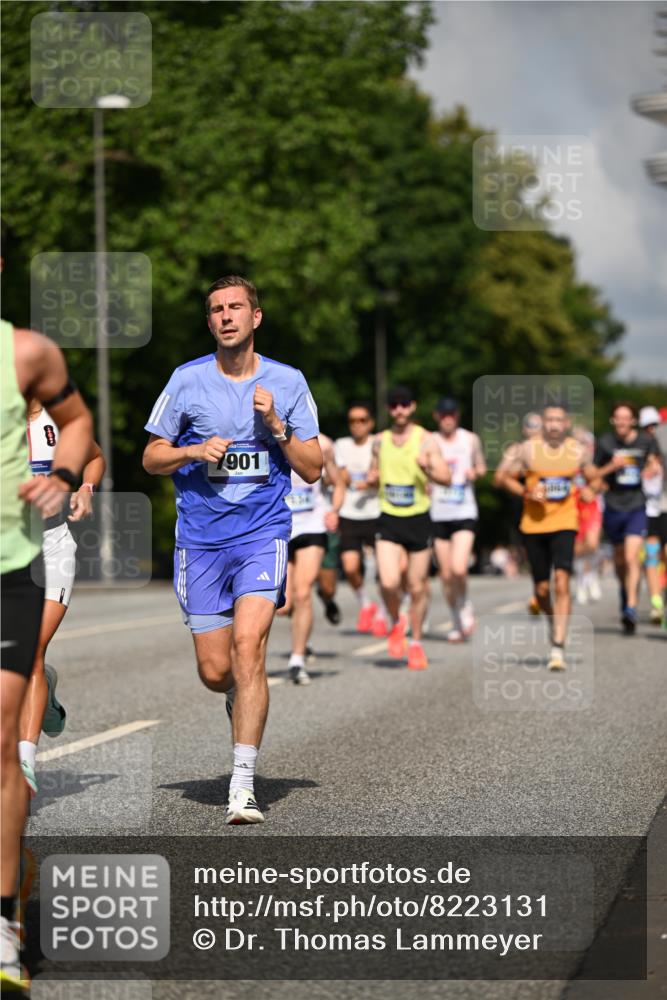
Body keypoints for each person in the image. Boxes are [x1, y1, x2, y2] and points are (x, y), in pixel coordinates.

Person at [143, 276, 322, 825]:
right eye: (217, 309)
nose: (226, 316)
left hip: (262, 535)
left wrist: (277, 426)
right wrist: (194, 451)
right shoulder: (187, 380)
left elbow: (313, 468)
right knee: (215, 669)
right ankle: (235, 695)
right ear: (210, 322)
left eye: (236, 307)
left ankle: (242, 786)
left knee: (249, 648)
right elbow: (151, 457)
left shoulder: (287, 382)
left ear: (255, 317)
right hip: (200, 542)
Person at [1, 317, 92, 992]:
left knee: (2, 732)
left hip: (26, 558)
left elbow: (85, 433)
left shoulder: (29, 357)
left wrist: (70, 480)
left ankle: (4, 924)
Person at [17, 401, 106, 796]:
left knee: (30, 650)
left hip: (53, 546)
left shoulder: (61, 420)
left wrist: (86, 489)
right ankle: (45, 688)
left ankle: (24, 764)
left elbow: (96, 457)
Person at [495, 403, 600, 670]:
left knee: (562, 582)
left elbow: (595, 478)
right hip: (534, 525)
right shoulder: (527, 450)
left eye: (558, 420)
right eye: (549, 419)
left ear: (566, 424)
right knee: (542, 590)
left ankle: (558, 646)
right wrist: (527, 492)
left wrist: (593, 489)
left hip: (566, 522)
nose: (553, 424)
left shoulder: (577, 451)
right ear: (543, 422)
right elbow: (503, 478)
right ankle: (553, 621)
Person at [367, 386, 451, 671]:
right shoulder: (379, 441)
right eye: (394, 405)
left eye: (404, 404)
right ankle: (396, 622)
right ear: (388, 409)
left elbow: (447, 477)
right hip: (388, 517)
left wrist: (428, 468)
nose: (399, 409)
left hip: (418, 518)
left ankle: (415, 642)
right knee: (388, 582)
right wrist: (371, 479)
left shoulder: (426, 441)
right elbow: (373, 474)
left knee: (417, 587)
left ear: (413, 406)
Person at [593, 402, 662, 634]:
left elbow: (654, 461)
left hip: (636, 505)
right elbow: (592, 474)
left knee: (633, 558)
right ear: (613, 420)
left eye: (626, 418)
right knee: (620, 562)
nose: (622, 422)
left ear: (633, 420)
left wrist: (652, 468)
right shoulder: (605, 442)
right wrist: (610, 467)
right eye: (618, 417)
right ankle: (625, 596)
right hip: (613, 506)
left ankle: (631, 607)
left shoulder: (645, 440)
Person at [283, 434, 344, 685]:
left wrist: (334, 511)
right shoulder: (265, 434)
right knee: (283, 605)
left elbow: (338, 483)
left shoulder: (324, 444)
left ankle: (297, 660)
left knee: (303, 592)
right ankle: (302, 634)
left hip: (312, 525)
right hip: (280, 526)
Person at [429, 397, 486, 642]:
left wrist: (475, 472)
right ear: (437, 416)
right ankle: (455, 619)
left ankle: (464, 605)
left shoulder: (470, 439)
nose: (447, 419)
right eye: (443, 415)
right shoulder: (430, 441)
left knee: (459, 568)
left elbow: (482, 466)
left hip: (464, 511)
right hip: (438, 513)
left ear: (457, 415)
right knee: (445, 575)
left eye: (451, 414)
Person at [334, 402, 382, 633]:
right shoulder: (341, 445)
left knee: (386, 570)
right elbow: (338, 476)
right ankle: (365, 603)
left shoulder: (378, 443)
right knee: (350, 567)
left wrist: (375, 481)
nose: (357, 425)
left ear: (370, 423)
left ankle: (385, 611)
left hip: (376, 512)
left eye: (362, 420)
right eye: (352, 420)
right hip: (349, 513)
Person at [494, 412, 543, 615]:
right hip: (523, 509)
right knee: (532, 553)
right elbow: (498, 479)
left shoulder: (553, 451)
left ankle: (541, 592)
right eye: (530, 425)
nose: (534, 430)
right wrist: (520, 474)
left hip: (549, 510)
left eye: (537, 426)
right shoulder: (515, 450)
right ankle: (538, 592)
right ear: (524, 429)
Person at [638, 406, 665, 624]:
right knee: (652, 556)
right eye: (647, 426)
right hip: (648, 511)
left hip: (664, 509)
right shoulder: (639, 449)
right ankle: (656, 604)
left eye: (655, 425)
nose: (651, 430)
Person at [572, 427, 603, 606]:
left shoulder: (589, 466)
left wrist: (591, 489)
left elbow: (598, 482)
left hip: (591, 509)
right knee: (577, 550)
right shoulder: (566, 466)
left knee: (592, 544)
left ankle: (592, 576)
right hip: (572, 510)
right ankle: (581, 583)